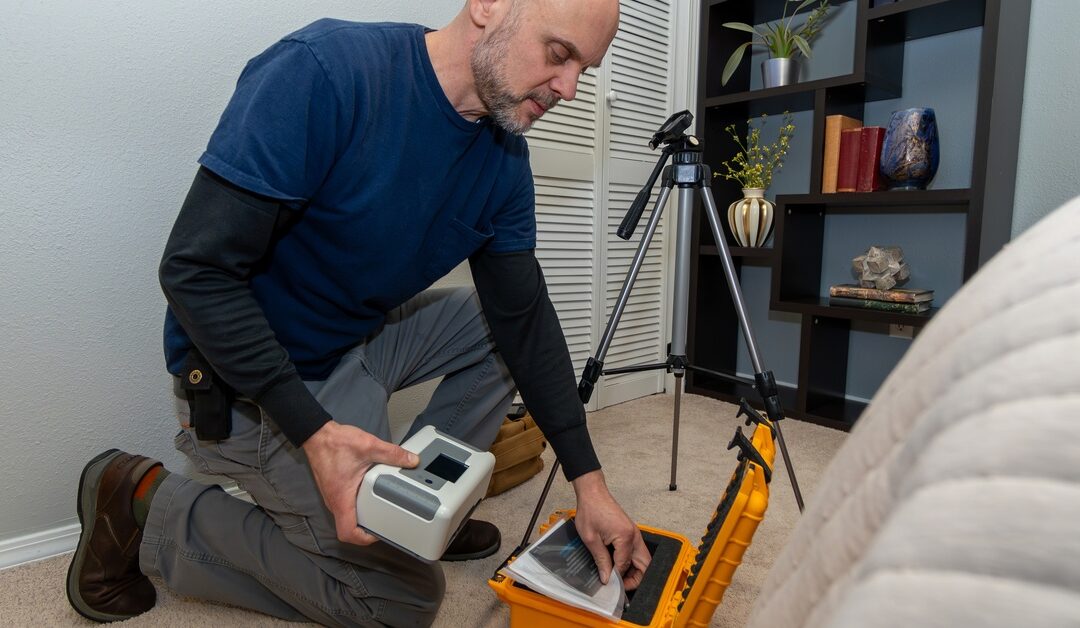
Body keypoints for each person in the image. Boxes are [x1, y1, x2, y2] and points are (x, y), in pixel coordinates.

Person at [66, 0, 652, 625]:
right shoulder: (326, 74)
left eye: (584, 70)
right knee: (400, 604)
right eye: (560, 55)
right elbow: (195, 270)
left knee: (498, 322)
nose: (568, 88)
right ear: (488, 6)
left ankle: (423, 505)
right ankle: (145, 501)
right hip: (253, 386)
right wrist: (315, 434)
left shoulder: (503, 158)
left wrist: (589, 485)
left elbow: (525, 321)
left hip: (355, 341)